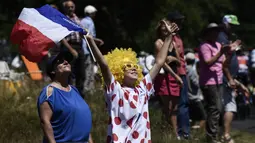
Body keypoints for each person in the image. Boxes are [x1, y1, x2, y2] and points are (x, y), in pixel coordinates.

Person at [85, 20, 178, 142]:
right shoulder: (115, 90)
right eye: (127, 66)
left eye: (134, 66)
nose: (133, 68)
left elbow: (160, 62)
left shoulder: (142, 88)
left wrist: (169, 37)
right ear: (118, 72)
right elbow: (104, 66)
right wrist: (91, 42)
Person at [37, 51, 93, 143]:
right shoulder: (49, 91)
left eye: (66, 61)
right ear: (52, 70)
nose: (66, 62)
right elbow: (45, 121)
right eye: (60, 61)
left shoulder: (74, 90)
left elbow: (82, 121)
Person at [199, 23, 240, 143]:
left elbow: (223, 65)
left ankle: (213, 136)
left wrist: (230, 53)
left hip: (219, 80)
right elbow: (208, 62)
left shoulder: (218, 45)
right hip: (209, 82)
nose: (216, 34)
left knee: (218, 108)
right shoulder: (205, 46)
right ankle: (211, 137)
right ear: (208, 33)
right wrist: (221, 52)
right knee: (215, 108)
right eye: (213, 31)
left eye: (217, 31)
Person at [154, 19, 182, 138]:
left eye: (167, 28)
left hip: (175, 77)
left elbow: (179, 61)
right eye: (163, 29)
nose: (165, 31)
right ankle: (170, 133)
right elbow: (162, 63)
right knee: (167, 107)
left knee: (174, 108)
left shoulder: (174, 43)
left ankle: (172, 133)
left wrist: (174, 59)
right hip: (165, 77)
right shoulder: (158, 43)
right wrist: (175, 76)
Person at [217, 15, 242, 143]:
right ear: (225, 24)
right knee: (230, 107)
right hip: (226, 77)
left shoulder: (225, 37)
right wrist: (230, 78)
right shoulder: (221, 36)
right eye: (231, 25)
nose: (233, 28)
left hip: (228, 76)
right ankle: (225, 135)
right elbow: (224, 57)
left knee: (225, 105)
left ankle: (222, 133)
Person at [166, 11, 190, 139]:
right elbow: (169, 58)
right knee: (177, 105)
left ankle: (184, 131)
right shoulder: (169, 37)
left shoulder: (178, 36)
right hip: (175, 74)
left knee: (184, 103)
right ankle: (180, 132)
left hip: (182, 72)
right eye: (177, 21)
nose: (180, 23)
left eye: (181, 21)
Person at [61, 0, 86, 98]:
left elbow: (82, 33)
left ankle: (80, 95)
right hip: (69, 46)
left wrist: (94, 41)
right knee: (69, 73)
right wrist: (71, 49)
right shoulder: (63, 19)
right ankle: (69, 95)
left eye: (72, 7)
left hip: (79, 46)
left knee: (82, 73)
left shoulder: (77, 19)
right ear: (65, 9)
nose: (70, 9)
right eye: (68, 7)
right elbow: (61, 38)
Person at [80, 5, 104, 94]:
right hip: (87, 49)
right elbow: (89, 36)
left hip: (81, 49)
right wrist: (98, 41)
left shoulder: (81, 21)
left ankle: (83, 88)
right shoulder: (90, 22)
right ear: (92, 13)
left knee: (83, 70)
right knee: (89, 71)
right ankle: (88, 90)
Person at [185, 52, 206, 130]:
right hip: (195, 97)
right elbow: (196, 83)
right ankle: (198, 131)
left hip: (187, 96)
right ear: (194, 61)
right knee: (204, 116)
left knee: (192, 117)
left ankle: (190, 130)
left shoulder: (184, 70)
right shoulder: (192, 71)